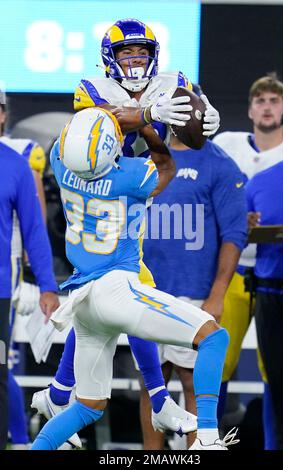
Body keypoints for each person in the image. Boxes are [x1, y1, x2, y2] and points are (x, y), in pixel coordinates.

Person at [31, 18, 221, 443]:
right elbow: (103, 125)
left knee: (95, 320)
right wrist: (152, 117)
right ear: (108, 59)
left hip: (101, 207)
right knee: (137, 288)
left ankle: (62, 392)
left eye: (141, 52)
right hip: (121, 185)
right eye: (125, 53)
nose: (135, 59)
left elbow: (196, 117)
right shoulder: (94, 91)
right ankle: (160, 402)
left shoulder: (61, 161)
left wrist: (206, 117)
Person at [138, 130, 247, 449]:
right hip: (147, 290)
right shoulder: (147, 159)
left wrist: (217, 293)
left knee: (193, 381)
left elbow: (235, 233)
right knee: (151, 382)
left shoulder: (220, 163)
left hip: (194, 291)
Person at [213, 75, 283, 449]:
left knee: (277, 369)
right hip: (234, 270)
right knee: (216, 366)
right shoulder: (226, 145)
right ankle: (206, 444)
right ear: (249, 108)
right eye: (261, 99)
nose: (268, 106)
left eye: (275, 100)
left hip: (280, 271)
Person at [0, 94, 59, 450]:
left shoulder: (17, 165)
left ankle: (18, 443)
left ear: (4, 115)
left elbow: (35, 229)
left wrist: (49, 286)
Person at [246, 103, 283, 449]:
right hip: (269, 294)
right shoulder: (259, 182)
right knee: (278, 383)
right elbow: (240, 236)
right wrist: (246, 225)